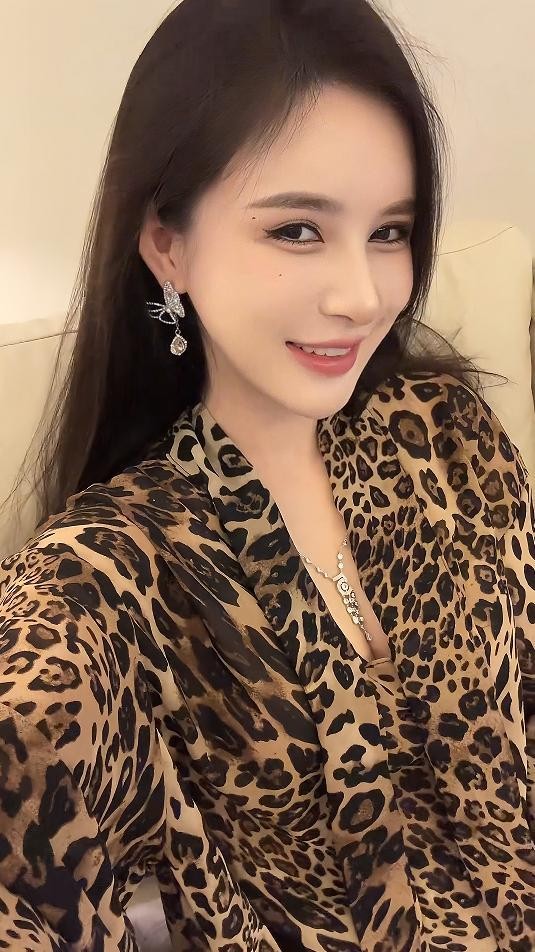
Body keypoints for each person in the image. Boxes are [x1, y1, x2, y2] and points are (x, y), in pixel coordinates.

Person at [0, 0, 534, 949]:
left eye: (390, 232)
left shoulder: (444, 434)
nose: (361, 295)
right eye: (296, 230)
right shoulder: (112, 573)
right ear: (167, 244)